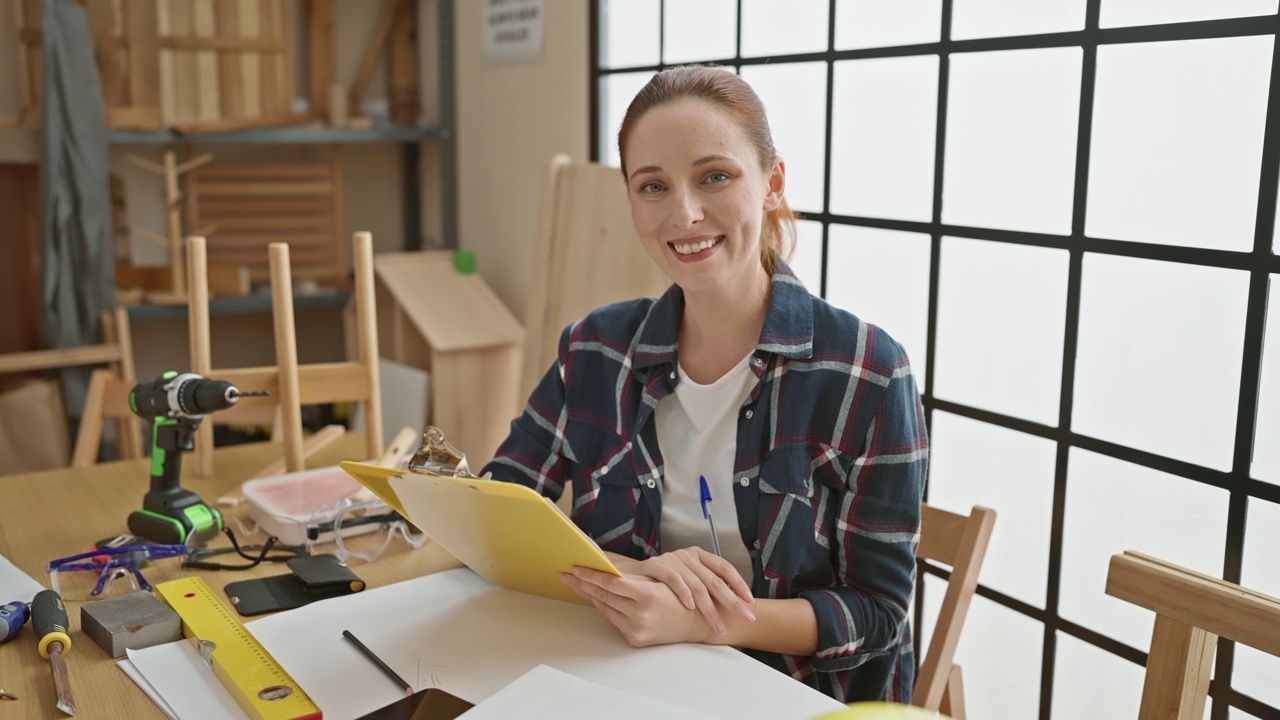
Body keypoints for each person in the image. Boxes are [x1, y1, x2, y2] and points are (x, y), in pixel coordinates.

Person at [480, 65, 927, 704]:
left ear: (772, 184)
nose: (684, 214)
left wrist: (702, 621)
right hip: (613, 677)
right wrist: (638, 577)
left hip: (798, 696)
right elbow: (498, 512)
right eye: (653, 186)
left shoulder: (868, 370)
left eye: (715, 177)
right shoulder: (594, 349)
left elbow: (879, 615)